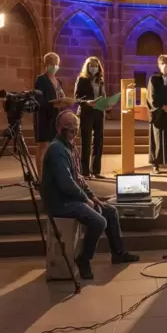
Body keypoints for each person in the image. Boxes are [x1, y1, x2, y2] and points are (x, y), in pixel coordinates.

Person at [41, 111, 139, 280]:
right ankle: (83, 259)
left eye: (76, 130)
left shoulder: (70, 148)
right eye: (70, 130)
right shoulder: (57, 149)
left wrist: (92, 197)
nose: (73, 133)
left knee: (109, 211)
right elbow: (66, 184)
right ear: (59, 129)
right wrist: (85, 199)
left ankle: (118, 253)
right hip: (60, 202)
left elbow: (79, 179)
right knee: (99, 221)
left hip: (71, 197)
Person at [34, 52, 70, 177]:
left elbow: (62, 96)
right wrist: (53, 104)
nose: (54, 66)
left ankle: (53, 175)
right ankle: (40, 177)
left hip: (56, 117)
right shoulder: (41, 80)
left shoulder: (59, 81)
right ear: (46, 64)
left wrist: (65, 101)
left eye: (56, 63)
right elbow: (39, 100)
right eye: (51, 63)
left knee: (55, 146)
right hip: (44, 117)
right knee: (43, 146)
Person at [74, 56, 109, 179]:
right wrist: (87, 102)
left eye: (96, 66)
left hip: (99, 112)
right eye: (91, 66)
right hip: (87, 112)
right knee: (86, 142)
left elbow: (103, 95)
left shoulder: (101, 80)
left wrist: (107, 103)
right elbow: (77, 98)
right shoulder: (82, 79)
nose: (94, 68)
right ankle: (85, 172)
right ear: (87, 67)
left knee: (98, 142)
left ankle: (96, 170)